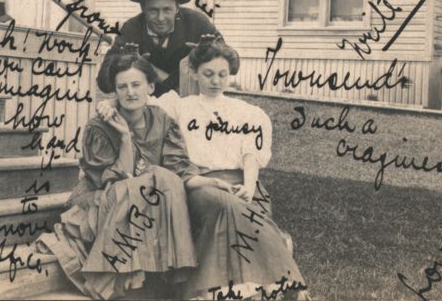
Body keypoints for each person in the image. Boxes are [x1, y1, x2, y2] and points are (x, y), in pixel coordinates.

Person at [97, 36, 308, 300]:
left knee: (241, 206)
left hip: (242, 182)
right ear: (194, 73)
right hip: (200, 184)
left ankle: (235, 291)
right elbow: (137, 99)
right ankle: (286, 284)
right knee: (226, 204)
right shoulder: (179, 105)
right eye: (208, 74)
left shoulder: (247, 112)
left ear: (230, 75)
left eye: (222, 74)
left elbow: (251, 154)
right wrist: (110, 103)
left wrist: (250, 187)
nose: (215, 81)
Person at [38, 45, 234, 300]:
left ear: (150, 88)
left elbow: (178, 167)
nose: (130, 93)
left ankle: (162, 275)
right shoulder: (99, 125)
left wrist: (209, 181)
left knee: (164, 179)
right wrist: (124, 137)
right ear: (115, 92)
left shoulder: (161, 119)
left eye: (136, 85)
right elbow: (116, 180)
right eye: (122, 87)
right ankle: (127, 281)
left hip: (148, 200)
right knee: (155, 180)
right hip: (102, 197)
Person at [96, 0, 221, 97]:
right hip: (146, 106)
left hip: (188, 102)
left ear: (177, 8)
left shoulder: (197, 23)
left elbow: (234, 66)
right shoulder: (131, 28)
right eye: (153, 10)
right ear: (143, 8)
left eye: (167, 10)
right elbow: (104, 84)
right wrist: (121, 64)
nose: (160, 18)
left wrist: (213, 53)